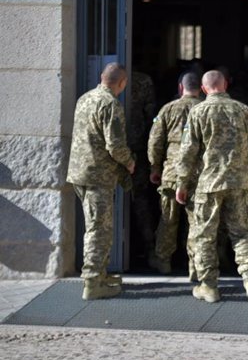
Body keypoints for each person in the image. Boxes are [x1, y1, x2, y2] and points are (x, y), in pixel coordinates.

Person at [175, 70, 248, 303]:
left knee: (204, 235)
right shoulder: (244, 111)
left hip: (209, 184)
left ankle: (209, 286)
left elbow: (187, 153)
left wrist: (182, 183)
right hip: (240, 183)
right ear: (225, 85)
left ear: (204, 89)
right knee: (243, 232)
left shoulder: (198, 112)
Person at [67, 62, 135, 300]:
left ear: (101, 77)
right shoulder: (110, 104)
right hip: (98, 176)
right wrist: (129, 163)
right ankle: (93, 281)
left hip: (80, 173)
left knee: (97, 225)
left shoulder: (85, 98)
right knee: (99, 229)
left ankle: (100, 274)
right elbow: (115, 145)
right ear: (122, 83)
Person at [147, 72, 202, 278]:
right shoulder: (204, 109)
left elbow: (155, 142)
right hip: (198, 174)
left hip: (171, 173)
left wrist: (155, 168)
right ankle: (195, 265)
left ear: (180, 87)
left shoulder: (168, 109)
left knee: (168, 219)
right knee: (196, 221)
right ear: (202, 89)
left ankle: (164, 261)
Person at [128, 70, 158, 266]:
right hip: (138, 148)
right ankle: (150, 249)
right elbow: (151, 115)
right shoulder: (143, 80)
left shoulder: (102, 77)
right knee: (140, 200)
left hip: (121, 152)